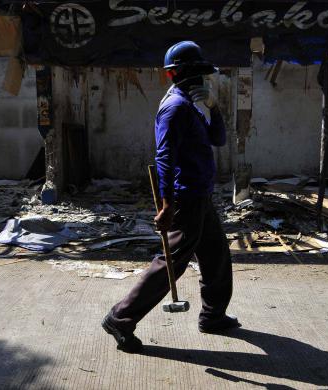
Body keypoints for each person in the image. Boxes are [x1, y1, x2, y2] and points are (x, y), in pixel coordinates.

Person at [102, 41, 239, 353]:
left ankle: (213, 316)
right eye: (199, 76)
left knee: (216, 256)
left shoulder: (191, 106)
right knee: (170, 265)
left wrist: (214, 108)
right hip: (185, 198)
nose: (203, 82)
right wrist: (167, 204)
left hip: (201, 195)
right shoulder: (175, 108)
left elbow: (217, 139)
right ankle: (120, 318)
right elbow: (165, 158)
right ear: (181, 75)